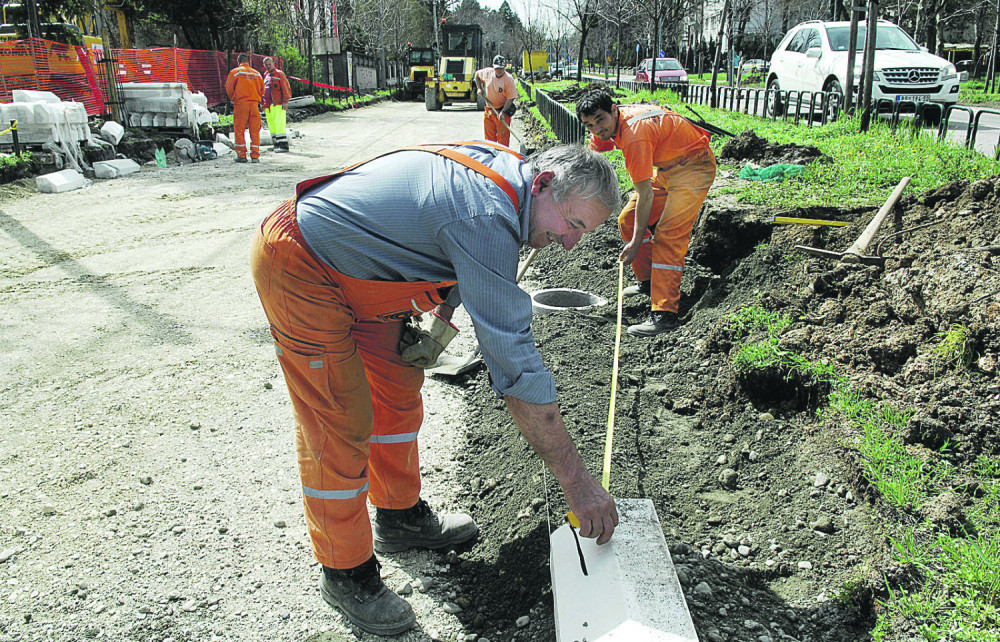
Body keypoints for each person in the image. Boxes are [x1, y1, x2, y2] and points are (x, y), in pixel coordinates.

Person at [250, 142, 621, 636]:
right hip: (305, 267)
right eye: (573, 224)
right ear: (544, 183)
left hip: (366, 275)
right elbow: (513, 361)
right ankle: (345, 573)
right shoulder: (487, 213)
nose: (570, 243)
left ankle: (399, 518)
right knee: (339, 419)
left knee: (397, 390)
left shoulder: (511, 187)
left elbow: (453, 243)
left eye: (583, 233)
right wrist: (577, 482)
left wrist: (443, 309)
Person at [576, 88, 716, 337]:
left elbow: (645, 195)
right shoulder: (613, 123)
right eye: (589, 125)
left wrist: (636, 241)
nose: (597, 129)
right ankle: (650, 282)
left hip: (694, 167)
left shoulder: (634, 137)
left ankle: (665, 314)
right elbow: (593, 151)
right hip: (668, 168)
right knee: (627, 220)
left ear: (614, 111)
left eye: (600, 120)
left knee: (668, 235)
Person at [225, 53, 264, 163]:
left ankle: (241, 155)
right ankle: (255, 156)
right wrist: (257, 99)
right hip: (254, 104)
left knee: (239, 129)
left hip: (241, 104)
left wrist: (234, 98)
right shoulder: (257, 74)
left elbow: (229, 88)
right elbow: (262, 90)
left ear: (238, 61)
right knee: (255, 130)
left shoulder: (235, 72)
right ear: (248, 62)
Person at [474, 55, 517, 147]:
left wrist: (503, 112)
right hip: (489, 111)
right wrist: (479, 88)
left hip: (502, 111)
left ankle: (503, 154)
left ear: (504, 67)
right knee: (489, 141)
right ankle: (491, 154)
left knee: (503, 141)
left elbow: (510, 98)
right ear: (493, 67)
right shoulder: (487, 73)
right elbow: (477, 75)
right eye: (497, 68)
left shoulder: (509, 80)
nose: (499, 70)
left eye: (501, 68)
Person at [262, 56, 292, 153]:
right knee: (271, 124)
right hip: (268, 105)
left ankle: (283, 145)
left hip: (278, 104)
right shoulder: (266, 75)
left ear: (273, 64)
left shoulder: (279, 74)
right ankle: (276, 144)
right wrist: (263, 103)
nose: (268, 66)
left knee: (279, 124)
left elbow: (286, 88)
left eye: (270, 64)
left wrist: (285, 101)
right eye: (266, 65)